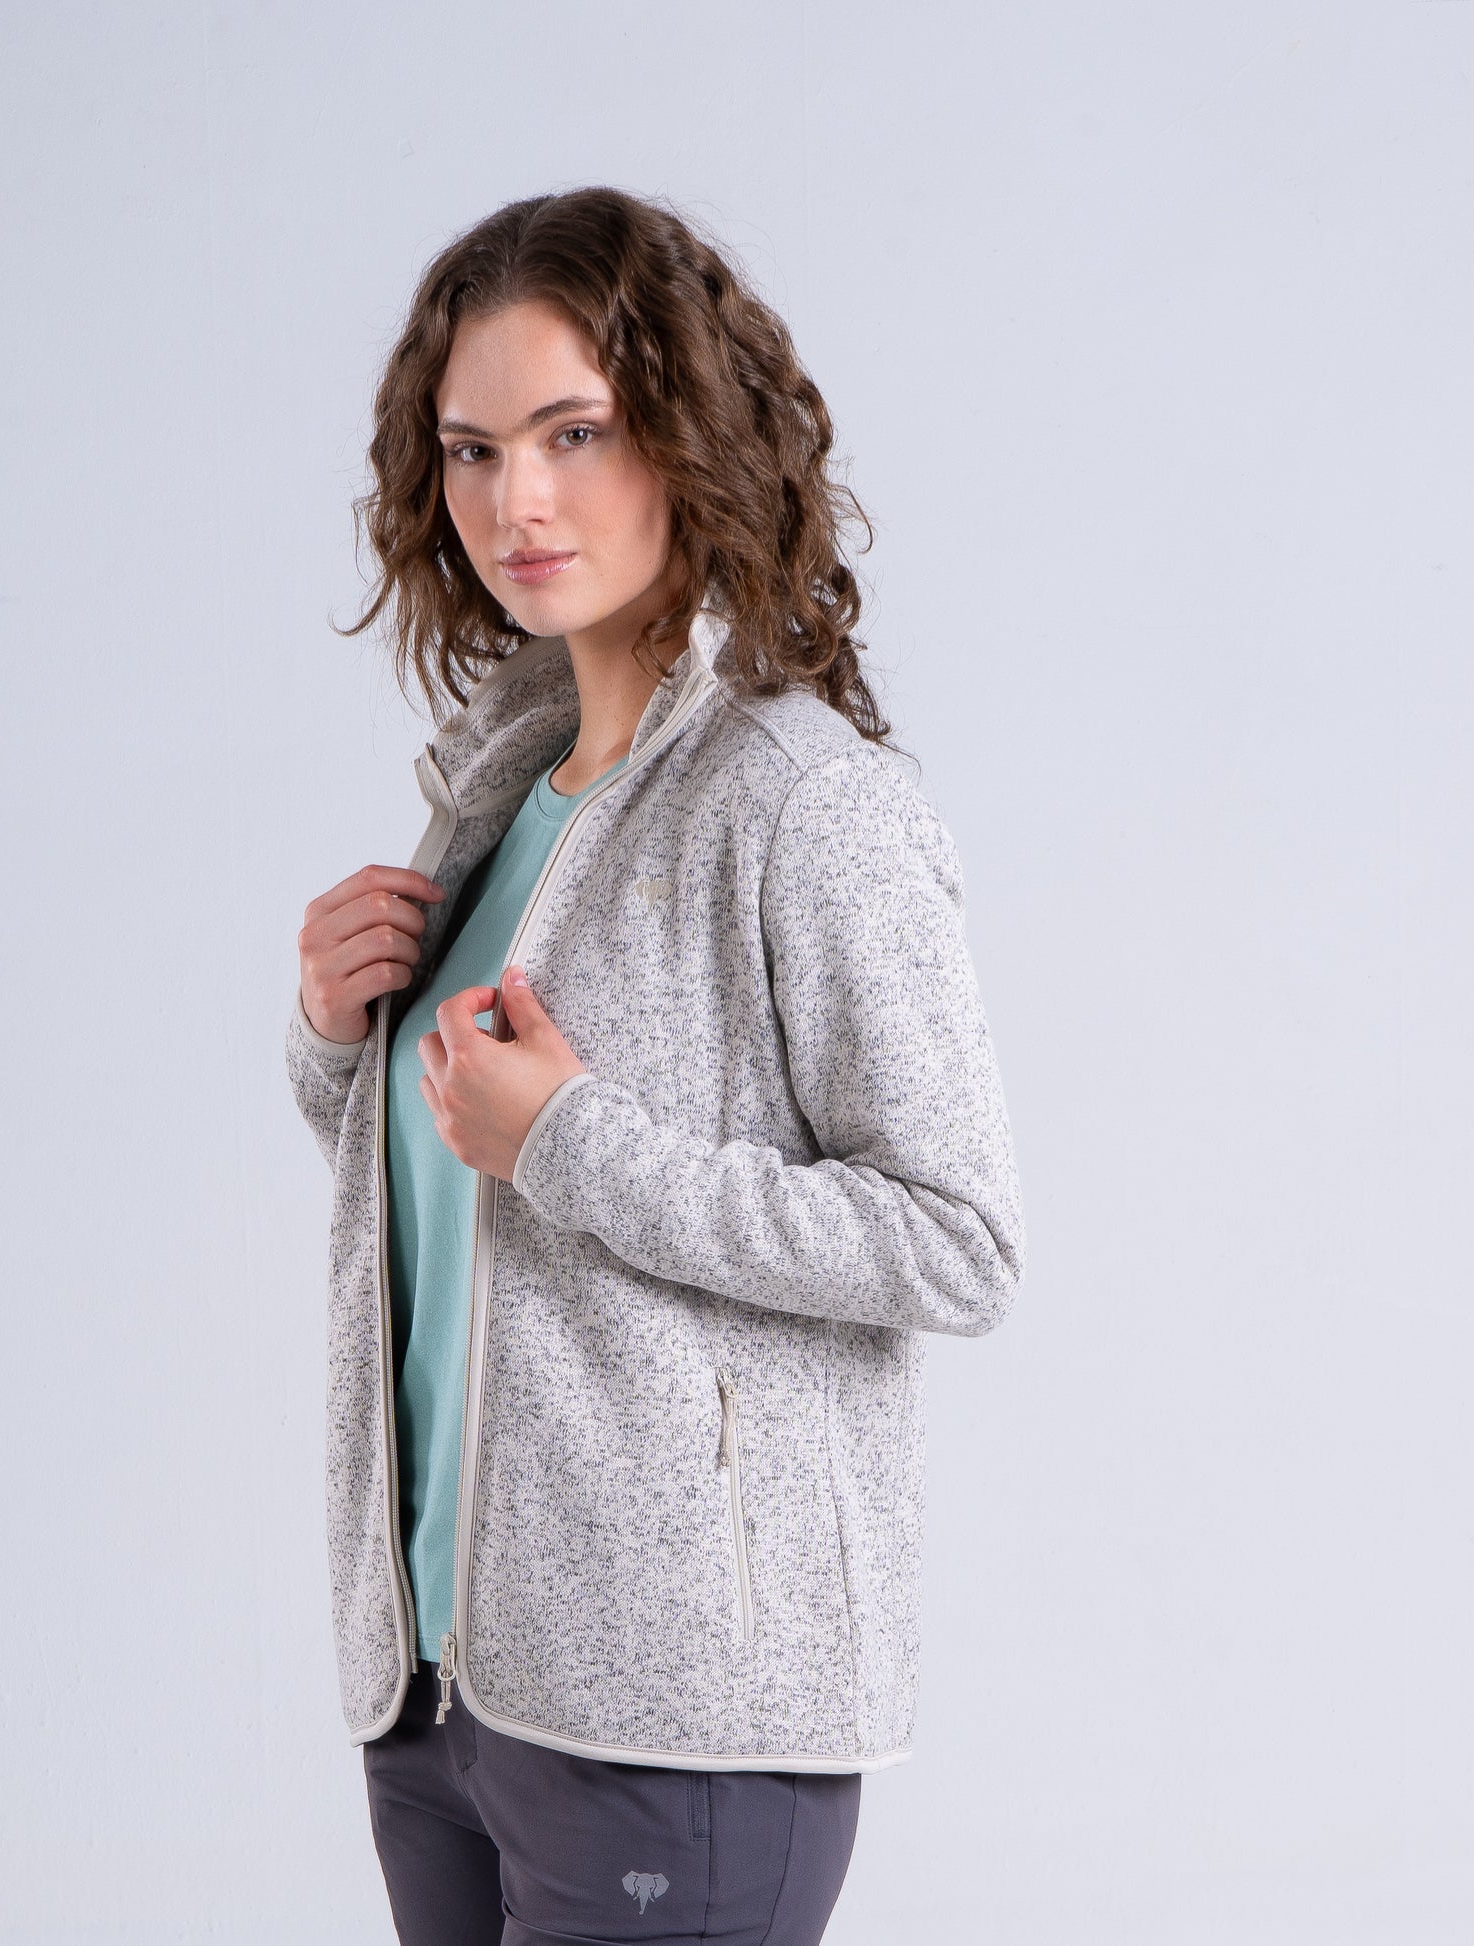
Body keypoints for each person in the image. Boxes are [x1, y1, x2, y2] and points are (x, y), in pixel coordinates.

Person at [287, 187, 1025, 1946]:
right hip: (446, 1683)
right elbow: (454, 1194)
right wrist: (333, 1039)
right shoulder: (502, 798)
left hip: (674, 1707)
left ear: (689, 435)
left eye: (574, 434)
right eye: (472, 451)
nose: (514, 503)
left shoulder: (802, 802)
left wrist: (574, 1140)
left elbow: (957, 1239)